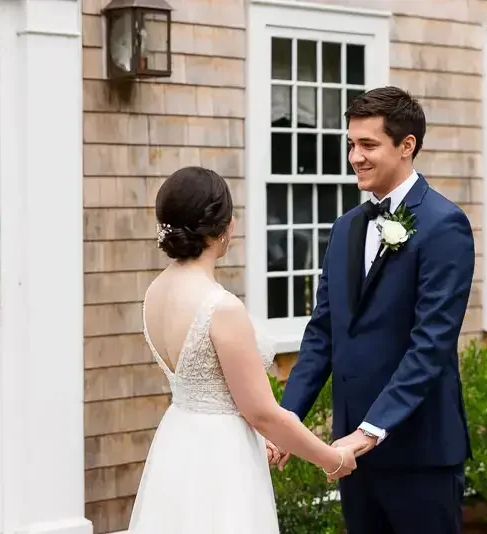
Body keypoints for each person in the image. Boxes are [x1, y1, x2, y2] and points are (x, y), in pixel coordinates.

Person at [270, 86, 475, 533]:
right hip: (351, 457)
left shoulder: (445, 225)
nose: (355, 156)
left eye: (368, 144)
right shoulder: (345, 229)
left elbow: (431, 344)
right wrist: (286, 420)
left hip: (419, 453)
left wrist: (371, 430)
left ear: (407, 146)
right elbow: (323, 331)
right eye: (350, 143)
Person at [128, 166, 362, 534]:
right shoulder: (220, 308)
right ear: (225, 227)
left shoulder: (154, 292)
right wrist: (332, 458)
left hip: (178, 442)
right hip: (222, 456)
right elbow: (263, 414)